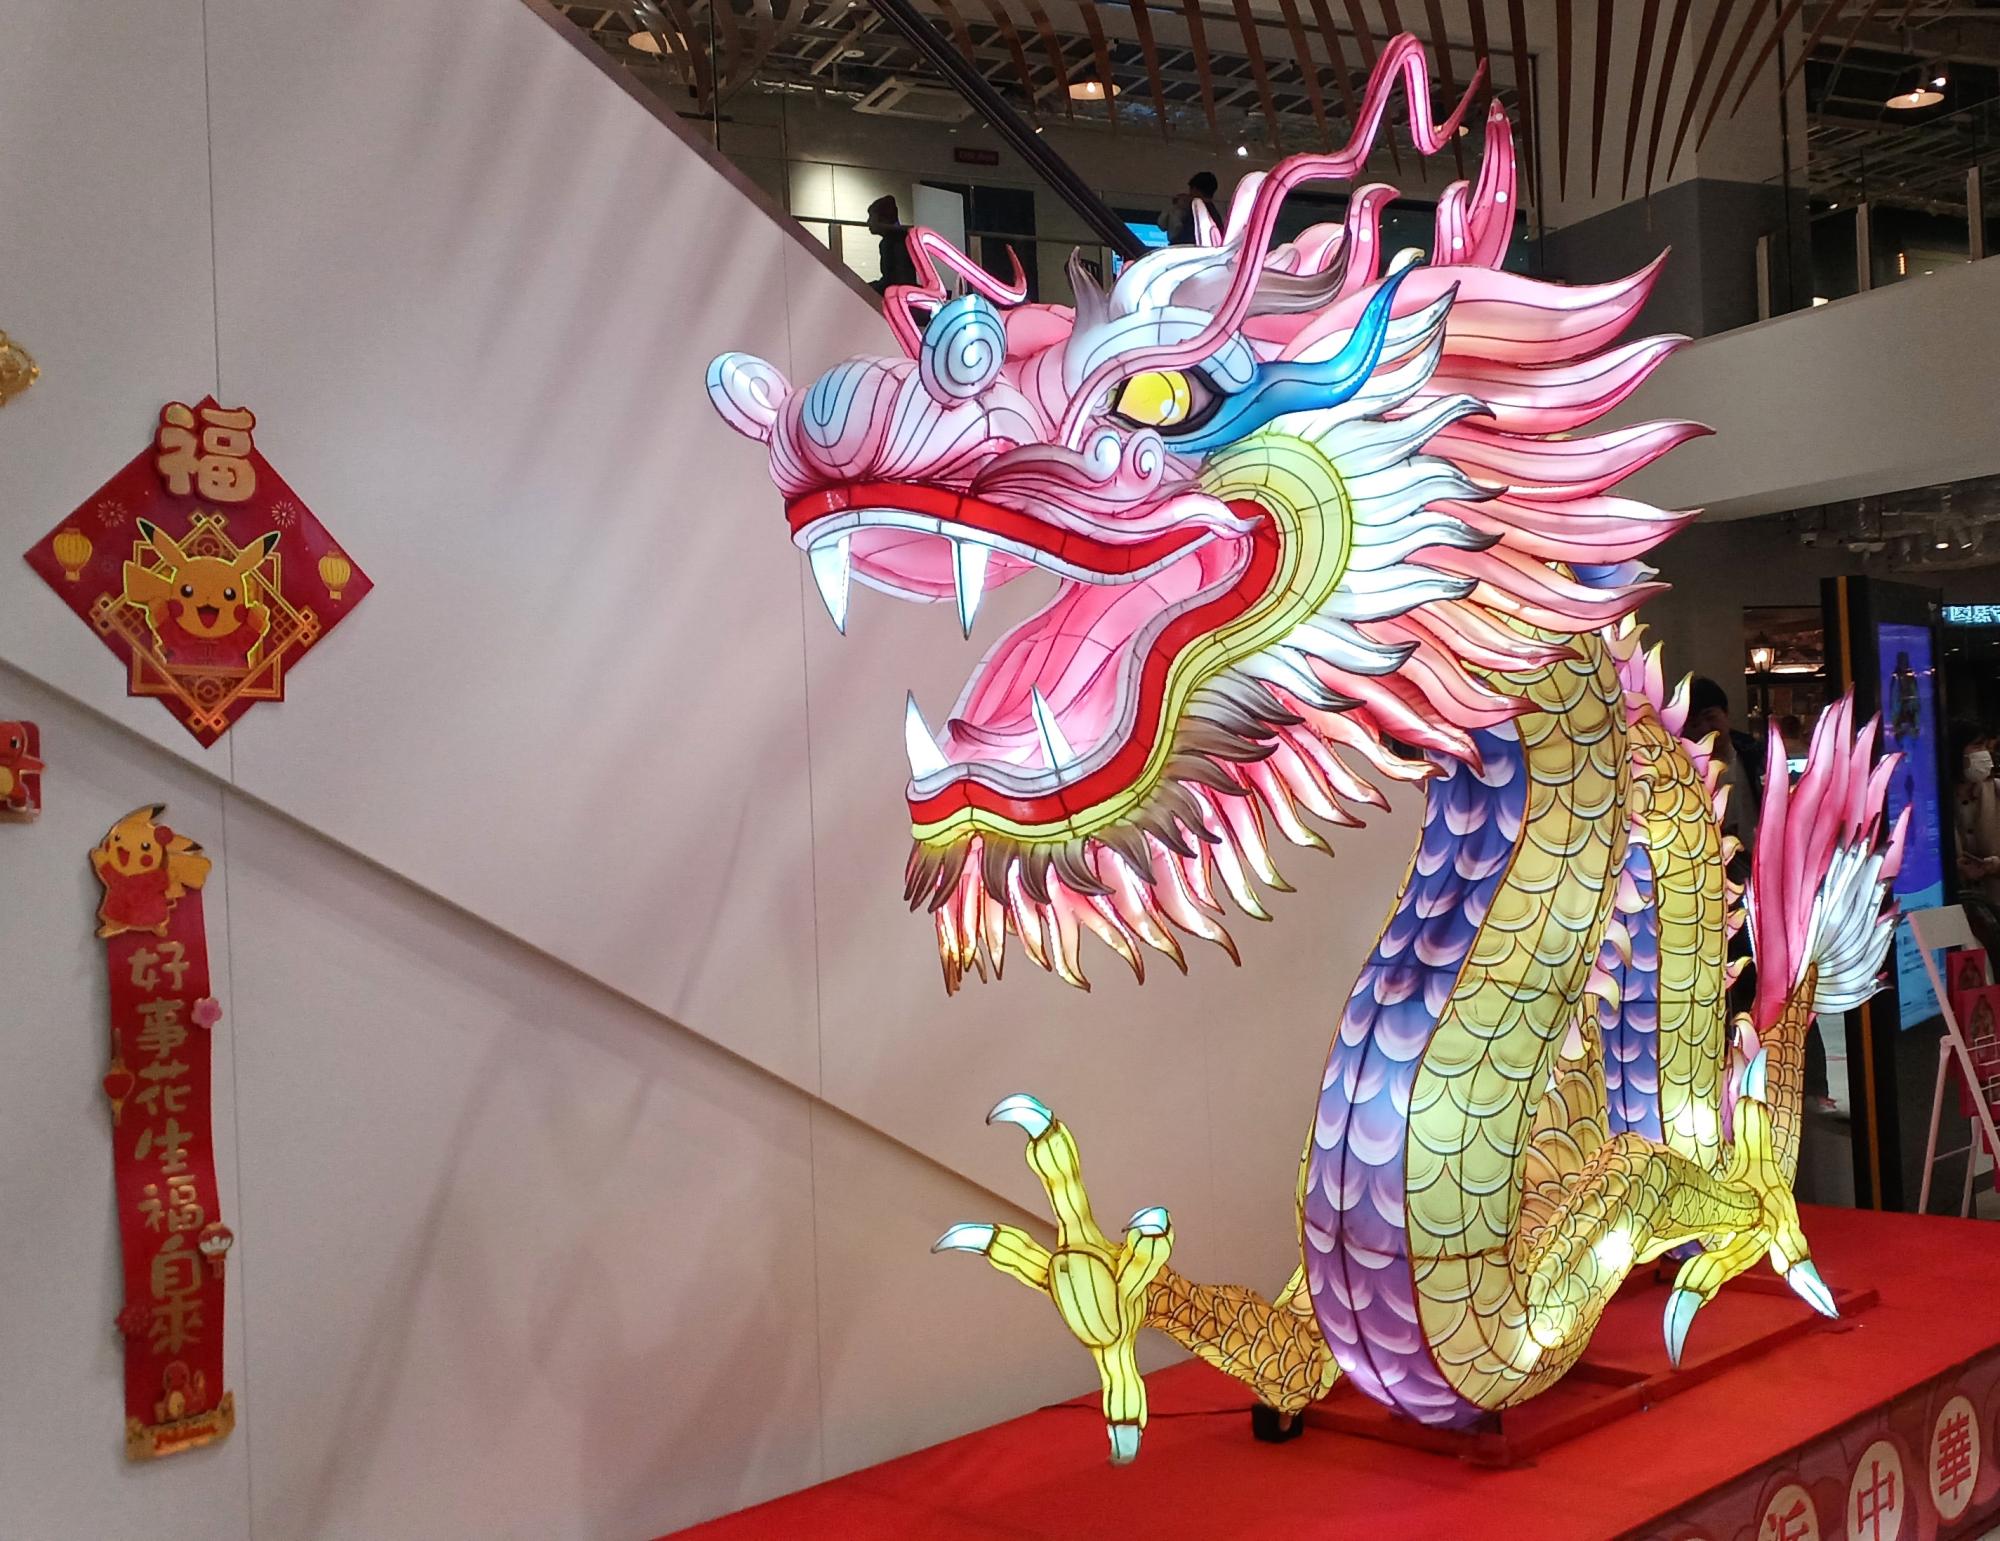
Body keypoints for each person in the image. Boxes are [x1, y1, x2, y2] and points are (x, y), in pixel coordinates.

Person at [1686, 677, 1765, 862]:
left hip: (1763, 860)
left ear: (1726, 714)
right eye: (1695, 724)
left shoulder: (1756, 756)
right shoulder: (1684, 772)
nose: (1705, 728)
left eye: (1710, 717)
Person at [1958, 734, 2000, 907]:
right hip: (1953, 906)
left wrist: (1995, 865)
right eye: (1977, 746)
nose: (1985, 754)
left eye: (1986, 747)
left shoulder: (1996, 791)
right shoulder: (1932, 801)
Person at [866, 195, 918, 293]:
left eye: (871, 217)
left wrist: (866, 288)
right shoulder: (902, 238)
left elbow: (894, 281)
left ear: (883, 219)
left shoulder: (892, 242)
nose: (868, 222)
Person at [1162, 172, 1220, 245]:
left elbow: (1183, 239)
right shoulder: (1214, 214)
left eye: (1190, 191)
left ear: (1195, 190)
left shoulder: (1196, 212)